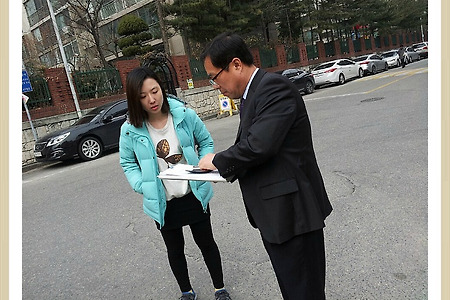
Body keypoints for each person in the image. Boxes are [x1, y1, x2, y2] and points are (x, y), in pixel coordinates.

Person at [198, 32, 333, 300]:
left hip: (294, 216)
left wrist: (217, 160)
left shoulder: (273, 88)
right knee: (294, 290)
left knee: (304, 292)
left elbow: (259, 146)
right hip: (278, 217)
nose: (215, 85)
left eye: (215, 77)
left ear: (236, 64)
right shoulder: (252, 95)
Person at [119, 66, 232, 300]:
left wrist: (205, 162)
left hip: (194, 193)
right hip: (162, 200)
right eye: (142, 96)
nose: (151, 99)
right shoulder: (130, 130)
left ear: (162, 88)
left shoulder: (184, 115)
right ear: (134, 99)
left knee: (206, 243)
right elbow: (128, 163)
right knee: (175, 250)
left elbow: (205, 141)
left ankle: (220, 288)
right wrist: (142, 185)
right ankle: (186, 292)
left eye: (154, 91)